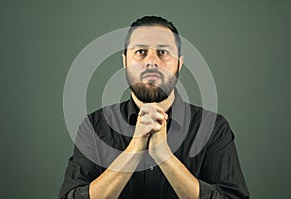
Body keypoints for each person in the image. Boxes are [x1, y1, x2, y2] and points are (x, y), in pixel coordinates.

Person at [59, 16, 250, 199]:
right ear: (125, 61)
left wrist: (164, 155)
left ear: (179, 63)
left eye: (163, 52)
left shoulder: (213, 127)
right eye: (141, 52)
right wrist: (135, 149)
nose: (152, 61)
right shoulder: (94, 126)